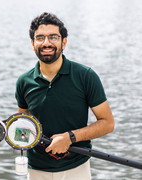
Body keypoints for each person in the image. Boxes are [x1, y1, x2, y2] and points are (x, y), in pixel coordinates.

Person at [15, 12, 114, 180]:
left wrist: (70, 137)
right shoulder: (23, 82)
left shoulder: (85, 76)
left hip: (76, 168)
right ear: (32, 44)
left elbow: (107, 123)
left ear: (64, 42)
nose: (46, 43)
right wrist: (18, 136)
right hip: (36, 169)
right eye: (40, 38)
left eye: (53, 37)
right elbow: (23, 122)